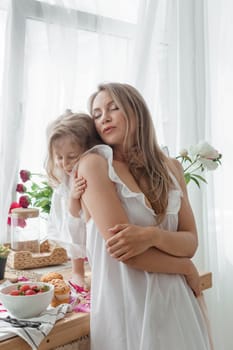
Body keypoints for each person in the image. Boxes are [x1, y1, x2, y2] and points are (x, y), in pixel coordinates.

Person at [74, 82, 212, 349]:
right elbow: (127, 252)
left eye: (113, 108)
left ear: (137, 112)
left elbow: (190, 242)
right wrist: (184, 267)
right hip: (127, 309)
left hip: (178, 305)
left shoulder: (172, 168)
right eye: (97, 113)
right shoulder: (94, 164)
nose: (105, 118)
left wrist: (152, 235)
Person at [44, 111, 101, 290]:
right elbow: (74, 216)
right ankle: (78, 271)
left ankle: (98, 269)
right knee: (74, 234)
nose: (64, 163)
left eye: (71, 156)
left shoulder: (91, 168)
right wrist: (74, 197)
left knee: (92, 235)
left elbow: (89, 218)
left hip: (90, 218)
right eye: (59, 157)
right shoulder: (66, 177)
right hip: (73, 212)